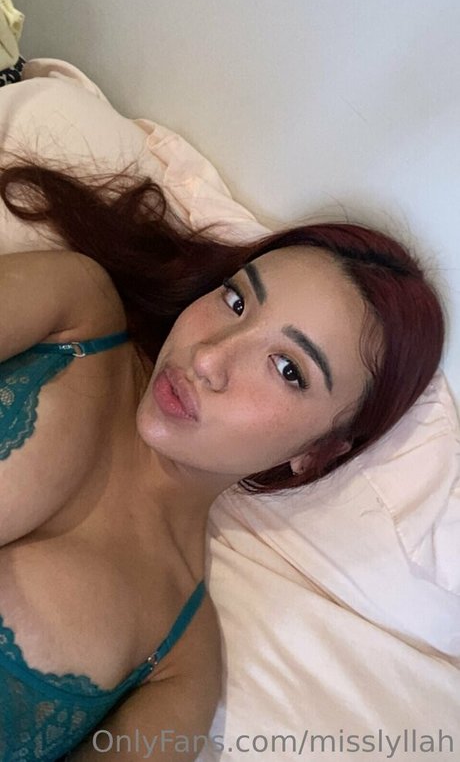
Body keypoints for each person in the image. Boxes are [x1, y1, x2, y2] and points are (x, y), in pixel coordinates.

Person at [0, 160, 445, 761]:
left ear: (316, 452)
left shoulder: (180, 667)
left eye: (287, 369)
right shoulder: (75, 311)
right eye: (236, 301)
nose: (208, 359)